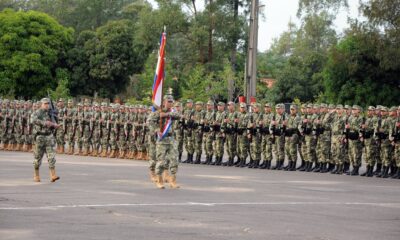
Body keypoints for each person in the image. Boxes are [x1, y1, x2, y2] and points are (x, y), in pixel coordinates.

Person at [31, 98, 60, 182]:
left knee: (51, 157)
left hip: (49, 137)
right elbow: (33, 120)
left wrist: (55, 125)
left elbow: (54, 122)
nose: (47, 105)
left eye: (48, 103)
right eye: (45, 103)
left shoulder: (51, 113)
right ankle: (36, 175)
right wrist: (45, 123)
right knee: (37, 158)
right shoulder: (37, 112)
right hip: (40, 137)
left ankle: (53, 175)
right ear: (41, 104)